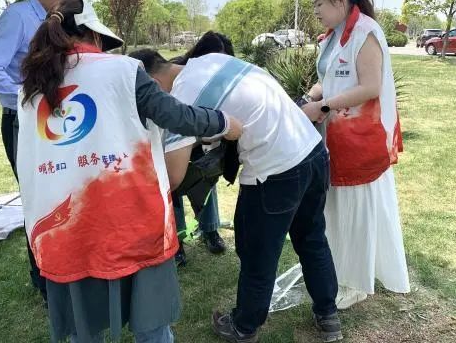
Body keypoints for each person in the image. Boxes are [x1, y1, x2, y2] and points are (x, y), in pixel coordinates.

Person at [17, 0, 242, 343]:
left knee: (83, 329)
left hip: (65, 230)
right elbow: (177, 116)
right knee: (151, 327)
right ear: (94, 35)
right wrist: (224, 122)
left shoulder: (30, 88)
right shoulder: (123, 71)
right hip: (130, 222)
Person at [130, 49, 342, 343]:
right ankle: (328, 314)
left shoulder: (181, 97)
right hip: (312, 150)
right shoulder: (208, 62)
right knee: (312, 238)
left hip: (274, 172)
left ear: (152, 83)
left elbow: (173, 176)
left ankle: (244, 326)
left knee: (257, 252)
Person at [0, 0, 88, 302]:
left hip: (54, 119)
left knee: (62, 191)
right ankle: (42, 277)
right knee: (37, 198)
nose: (75, 6)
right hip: (22, 122)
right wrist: (29, 98)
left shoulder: (58, 21)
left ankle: (65, 266)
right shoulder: (19, 17)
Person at [300, 0, 410, 309]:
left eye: (319, 4)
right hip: (335, 133)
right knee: (338, 207)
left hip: (360, 135)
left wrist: (324, 105)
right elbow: (329, 78)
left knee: (355, 208)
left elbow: (370, 86)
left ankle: (356, 282)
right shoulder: (333, 36)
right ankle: (340, 269)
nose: (316, 12)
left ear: (340, 0)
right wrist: (310, 97)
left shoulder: (366, 32)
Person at [169, 31, 236, 264]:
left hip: (206, 139)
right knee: (172, 187)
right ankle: (177, 242)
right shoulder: (179, 71)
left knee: (206, 180)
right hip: (174, 138)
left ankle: (210, 230)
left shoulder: (225, 77)